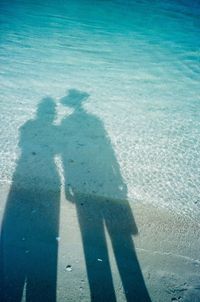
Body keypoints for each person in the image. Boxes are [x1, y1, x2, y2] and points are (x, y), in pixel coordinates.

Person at [60, 89, 151, 301]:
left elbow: (67, 155)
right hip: (104, 179)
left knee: (92, 238)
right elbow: (108, 150)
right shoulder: (95, 120)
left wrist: (68, 184)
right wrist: (118, 177)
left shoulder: (66, 124)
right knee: (120, 241)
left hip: (83, 180)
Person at [0, 98, 60, 302]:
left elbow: (22, 144)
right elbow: (56, 150)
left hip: (24, 174)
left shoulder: (27, 125)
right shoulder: (52, 130)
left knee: (15, 233)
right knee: (42, 234)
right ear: (50, 113)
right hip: (45, 178)